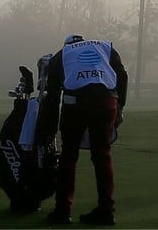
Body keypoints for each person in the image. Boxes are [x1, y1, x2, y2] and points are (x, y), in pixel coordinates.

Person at [38, 34, 128, 226]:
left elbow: (53, 97)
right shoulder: (105, 47)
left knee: (68, 157)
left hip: (76, 103)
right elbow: (122, 75)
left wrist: (50, 131)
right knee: (102, 156)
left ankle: (63, 211)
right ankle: (106, 210)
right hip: (107, 101)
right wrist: (120, 108)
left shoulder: (61, 55)